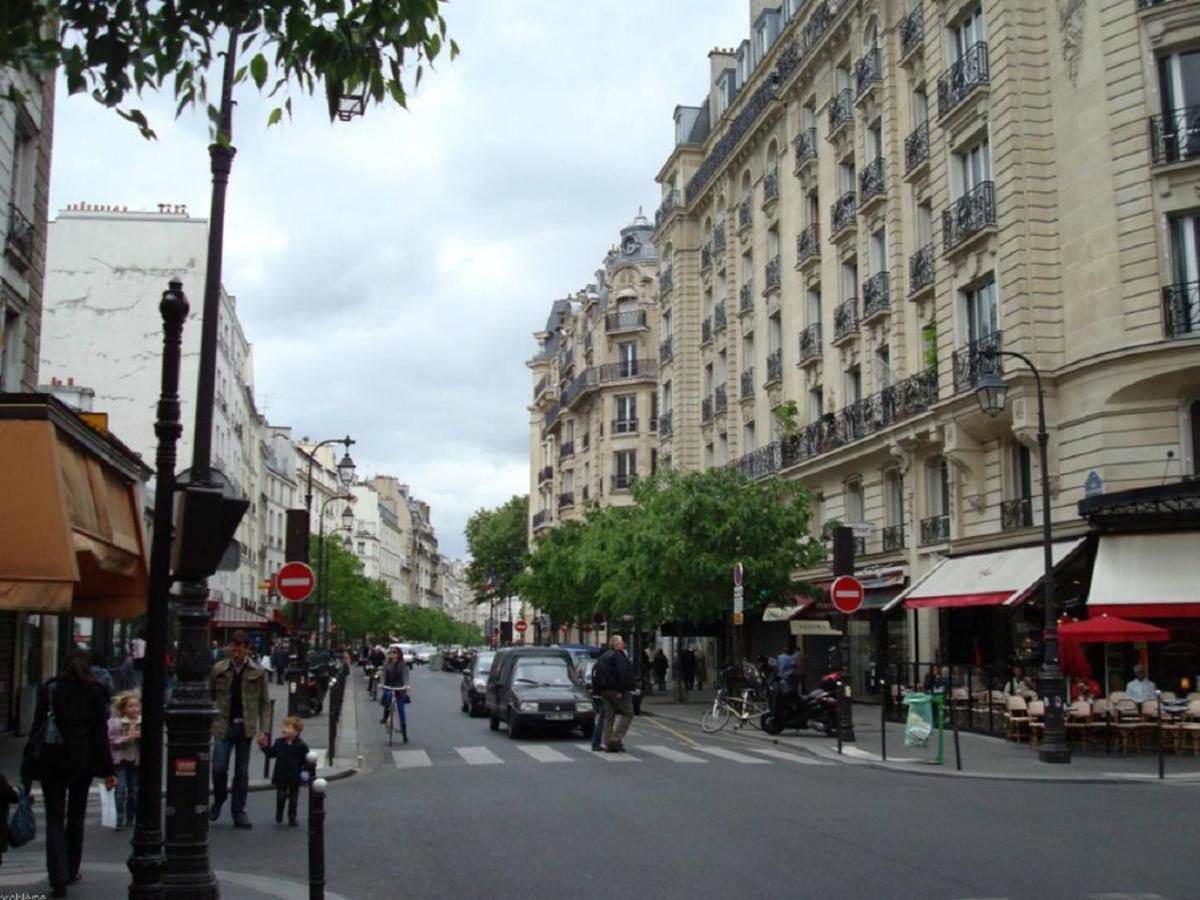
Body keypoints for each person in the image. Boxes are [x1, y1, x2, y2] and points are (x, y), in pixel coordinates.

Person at [21, 650, 116, 897]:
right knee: (76, 815)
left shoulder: (51, 689)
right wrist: (107, 770)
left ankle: (57, 874)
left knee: (54, 816)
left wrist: (26, 769)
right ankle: (72, 867)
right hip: (80, 761)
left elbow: (36, 729)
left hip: (51, 759)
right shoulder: (94, 692)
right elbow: (100, 735)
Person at [209, 630, 271, 829]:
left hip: (245, 726)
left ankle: (239, 811)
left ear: (247, 650)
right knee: (218, 767)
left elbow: (264, 703)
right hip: (222, 724)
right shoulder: (218, 669)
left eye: (240, 650)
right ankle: (219, 799)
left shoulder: (258, 671)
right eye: (233, 649)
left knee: (242, 772)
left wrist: (264, 730)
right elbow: (209, 696)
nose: (236, 654)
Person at [262, 716, 310, 826]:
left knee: (293, 800)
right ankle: (279, 811)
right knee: (281, 797)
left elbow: (306, 761)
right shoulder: (279, 742)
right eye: (283, 727)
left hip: (295, 776)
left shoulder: (301, 746)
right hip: (281, 775)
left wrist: (306, 773)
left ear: (296, 731)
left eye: (288, 727)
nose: (284, 729)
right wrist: (264, 746)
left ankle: (292, 818)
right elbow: (271, 753)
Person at [594, 636, 636, 753]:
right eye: (622, 641)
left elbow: (596, 673)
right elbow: (622, 673)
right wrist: (621, 690)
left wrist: (598, 691)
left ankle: (607, 743)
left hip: (604, 691)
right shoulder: (619, 656)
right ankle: (615, 739)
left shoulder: (603, 656)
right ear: (616, 644)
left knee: (609, 717)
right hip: (616, 690)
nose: (623, 643)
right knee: (628, 713)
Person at [107, 691, 141, 830]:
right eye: (130, 706)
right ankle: (119, 817)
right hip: (121, 760)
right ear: (123, 708)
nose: (134, 709)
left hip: (135, 759)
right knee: (120, 789)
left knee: (133, 790)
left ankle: (130, 816)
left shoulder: (141, 721)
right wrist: (127, 738)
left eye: (136, 706)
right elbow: (111, 740)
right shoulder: (116, 723)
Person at [379, 646, 409, 743]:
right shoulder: (386, 664)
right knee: (387, 696)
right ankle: (386, 714)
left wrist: (405, 685)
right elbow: (383, 674)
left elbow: (405, 675)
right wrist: (382, 683)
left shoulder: (402, 664)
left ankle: (404, 732)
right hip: (389, 686)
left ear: (399, 654)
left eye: (394, 652)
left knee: (401, 710)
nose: (392, 654)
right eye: (390, 652)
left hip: (399, 688)